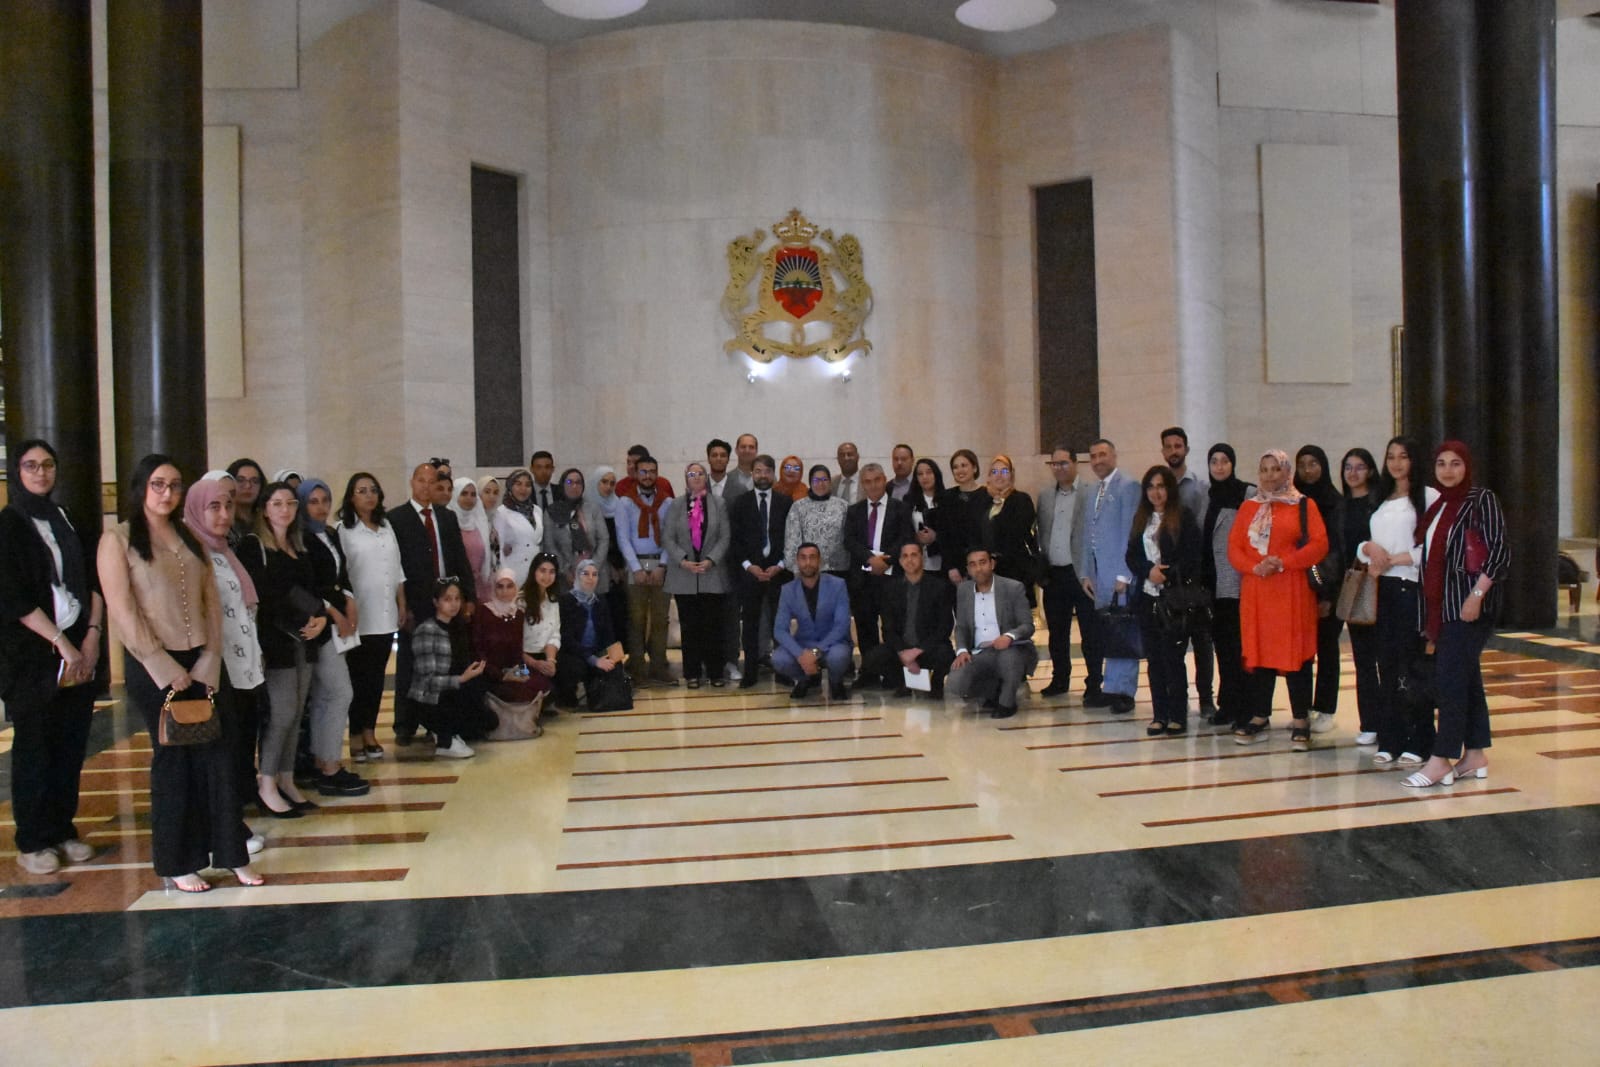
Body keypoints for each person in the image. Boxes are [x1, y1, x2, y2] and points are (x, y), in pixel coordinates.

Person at [99, 454, 257, 891]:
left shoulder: (189, 536)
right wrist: (161, 665)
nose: (167, 493)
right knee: (175, 761)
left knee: (222, 755)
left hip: (203, 662)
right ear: (140, 488)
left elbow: (210, 600)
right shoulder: (119, 539)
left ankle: (230, 853)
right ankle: (177, 861)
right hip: (155, 666)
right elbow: (123, 611)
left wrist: (210, 656)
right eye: (158, 484)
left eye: (174, 485)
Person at [2, 439, 105, 875]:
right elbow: (12, 595)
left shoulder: (66, 519)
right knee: (35, 747)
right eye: (31, 465)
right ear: (16, 471)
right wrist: (60, 642)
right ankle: (34, 838)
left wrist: (93, 637)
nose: (41, 473)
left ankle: (63, 828)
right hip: (32, 656)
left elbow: (94, 578)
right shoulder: (9, 524)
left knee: (70, 743)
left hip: (80, 645)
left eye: (47, 465)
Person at [1403, 441, 1509, 788]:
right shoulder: (1438, 506)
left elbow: (1498, 553)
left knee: (1449, 683)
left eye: (1456, 464)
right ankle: (1475, 753)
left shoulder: (1480, 499)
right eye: (1442, 464)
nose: (1448, 470)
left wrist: (1476, 595)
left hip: (1468, 607)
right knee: (1466, 680)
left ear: (1468, 467)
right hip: (1443, 608)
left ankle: (1440, 759)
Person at [184, 473, 268, 856]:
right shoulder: (191, 549)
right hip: (214, 665)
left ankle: (230, 822)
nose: (223, 514)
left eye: (228, 505)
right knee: (218, 753)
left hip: (240, 661)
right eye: (213, 506)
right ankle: (223, 830)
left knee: (235, 748)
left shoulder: (221, 549)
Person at [1228, 450, 1328, 751]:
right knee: (1259, 651)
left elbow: (1320, 544)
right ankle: (1260, 715)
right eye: (1264, 470)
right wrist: (1254, 567)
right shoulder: (1248, 507)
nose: (1270, 475)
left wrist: (1284, 561)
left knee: (1295, 652)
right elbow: (1234, 547)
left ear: (1287, 472)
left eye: (1276, 469)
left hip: (1291, 588)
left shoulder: (1303, 505)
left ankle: (1300, 719)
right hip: (1257, 590)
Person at [240, 482, 329, 817]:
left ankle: (287, 777)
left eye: (290, 503)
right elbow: (263, 596)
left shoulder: (298, 544)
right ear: (265, 508)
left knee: (296, 714)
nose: (285, 510)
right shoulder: (254, 546)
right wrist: (300, 617)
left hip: (304, 640)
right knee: (282, 713)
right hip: (276, 641)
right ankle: (266, 781)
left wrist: (320, 618)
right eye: (277, 503)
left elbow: (313, 588)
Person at [1357, 436, 1437, 767]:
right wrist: (1367, 548)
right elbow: (1364, 545)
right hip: (1381, 589)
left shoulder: (1428, 496)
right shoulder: (1380, 497)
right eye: (1391, 456)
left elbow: (1434, 547)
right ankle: (1389, 737)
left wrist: (1399, 558)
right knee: (1385, 667)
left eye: (1403, 456)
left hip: (1409, 587)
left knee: (1411, 667)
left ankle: (1419, 738)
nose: (1396, 463)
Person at [388, 462, 476, 746]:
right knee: (410, 664)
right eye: (421, 481)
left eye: (432, 482)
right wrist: (404, 605)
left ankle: (439, 720)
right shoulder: (396, 519)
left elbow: (460, 559)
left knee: (446, 662)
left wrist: (468, 597)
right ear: (412, 483)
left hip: (448, 603)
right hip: (415, 602)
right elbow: (395, 566)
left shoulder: (446, 517)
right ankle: (405, 723)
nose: (427, 487)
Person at [296, 478, 367, 797]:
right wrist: (334, 612)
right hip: (319, 624)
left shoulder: (330, 533)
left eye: (325, 500)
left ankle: (325, 761)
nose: (321, 507)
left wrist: (350, 601)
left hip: (336, 621)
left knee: (329, 695)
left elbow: (342, 576)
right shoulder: (301, 538)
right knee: (340, 693)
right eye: (313, 501)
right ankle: (328, 765)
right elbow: (307, 584)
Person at [1126, 466, 1203, 735]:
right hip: (1147, 599)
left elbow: (1193, 557)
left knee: (1173, 658)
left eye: (1160, 486)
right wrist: (1148, 570)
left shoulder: (1183, 517)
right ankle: (1159, 714)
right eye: (1150, 487)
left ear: (1169, 489)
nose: (1155, 492)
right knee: (1154, 659)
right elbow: (1131, 556)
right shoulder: (1141, 519)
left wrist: (1166, 574)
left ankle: (1177, 715)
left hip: (1173, 600)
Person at [338, 471, 405, 764]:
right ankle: (354, 735)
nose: (369, 495)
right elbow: (341, 574)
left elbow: (397, 569)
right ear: (351, 497)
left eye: (373, 490)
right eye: (362, 490)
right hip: (360, 615)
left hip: (386, 613)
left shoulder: (386, 527)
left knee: (376, 678)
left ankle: (369, 731)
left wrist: (402, 603)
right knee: (358, 678)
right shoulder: (343, 530)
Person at [1076, 439, 1142, 713]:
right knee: (1109, 631)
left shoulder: (1128, 487)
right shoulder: (1093, 490)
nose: (1098, 460)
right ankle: (1111, 687)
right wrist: (1085, 573)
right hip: (1099, 576)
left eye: (1103, 454)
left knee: (1123, 630)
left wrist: (1125, 575)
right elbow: (1087, 535)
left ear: (1114, 455)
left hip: (1120, 576)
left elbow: (1131, 531)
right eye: (1093, 456)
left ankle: (1124, 690)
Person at [408, 577, 497, 758]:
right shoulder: (426, 631)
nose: (454, 604)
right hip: (429, 698)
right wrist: (462, 679)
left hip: (452, 690)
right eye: (447, 599)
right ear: (436, 602)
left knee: (488, 718)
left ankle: (450, 733)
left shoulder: (458, 628)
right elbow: (427, 681)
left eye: (457, 599)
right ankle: (445, 737)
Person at [662, 462, 732, 687]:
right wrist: (683, 560)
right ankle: (691, 673)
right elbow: (668, 537)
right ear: (685, 479)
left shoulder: (718, 503)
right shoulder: (676, 505)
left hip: (711, 573)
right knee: (690, 627)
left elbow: (725, 536)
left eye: (700, 474)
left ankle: (715, 672)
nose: (696, 477)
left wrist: (711, 559)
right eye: (691, 474)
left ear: (706, 477)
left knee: (713, 626)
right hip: (685, 575)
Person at [1161, 427, 1215, 718]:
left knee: (1202, 641)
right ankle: (1176, 699)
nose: (1173, 451)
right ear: (1162, 452)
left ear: (1186, 449)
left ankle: (1206, 699)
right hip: (1168, 579)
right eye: (1168, 446)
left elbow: (1204, 531)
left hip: (1196, 576)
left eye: (1178, 445)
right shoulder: (1158, 488)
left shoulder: (1199, 488)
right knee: (1173, 641)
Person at [946, 547, 1038, 718]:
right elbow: (962, 627)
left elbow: (1027, 625)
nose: (978, 569)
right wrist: (962, 650)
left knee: (1008, 659)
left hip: (1011, 649)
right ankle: (992, 690)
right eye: (973, 565)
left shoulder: (1013, 588)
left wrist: (1009, 636)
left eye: (982, 563)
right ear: (968, 569)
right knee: (955, 683)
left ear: (992, 563)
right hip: (981, 651)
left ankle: (1007, 703)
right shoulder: (964, 590)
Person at [857, 541, 955, 696]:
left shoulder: (939, 587)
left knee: (946, 654)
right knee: (872, 659)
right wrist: (903, 652)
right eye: (905, 556)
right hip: (902, 648)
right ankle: (904, 681)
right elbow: (887, 628)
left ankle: (935, 683)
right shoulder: (890, 589)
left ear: (922, 558)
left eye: (914, 555)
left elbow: (945, 627)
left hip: (927, 647)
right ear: (900, 561)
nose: (909, 560)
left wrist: (917, 651)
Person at [1201, 444, 1253, 730]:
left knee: (1240, 648)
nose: (1219, 467)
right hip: (1214, 586)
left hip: (1238, 583)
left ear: (1233, 464)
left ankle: (1246, 706)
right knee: (1223, 647)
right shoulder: (1208, 497)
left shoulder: (1247, 493)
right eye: (1214, 462)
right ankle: (1228, 703)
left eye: (1224, 461)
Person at [728, 455, 793, 687]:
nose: (762, 475)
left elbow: (792, 538)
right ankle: (751, 672)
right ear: (752, 474)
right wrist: (749, 566)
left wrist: (781, 565)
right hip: (750, 573)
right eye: (758, 471)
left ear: (773, 474)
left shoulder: (786, 503)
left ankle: (784, 670)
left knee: (780, 624)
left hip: (779, 573)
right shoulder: (741, 502)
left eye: (767, 471)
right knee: (751, 624)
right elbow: (735, 540)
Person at [1294, 444, 1344, 733]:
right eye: (1303, 464)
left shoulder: (1334, 502)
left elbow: (1336, 550)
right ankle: (1304, 707)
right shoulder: (1294, 502)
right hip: (1299, 587)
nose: (1308, 470)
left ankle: (1325, 707)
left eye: (1314, 463)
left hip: (1328, 586)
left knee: (1327, 647)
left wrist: (1327, 594)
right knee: (1302, 649)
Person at [1036, 445, 1093, 699]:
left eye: (1063, 463)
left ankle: (1094, 683)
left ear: (1075, 463)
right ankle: (1060, 679)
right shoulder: (1045, 496)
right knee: (1057, 632)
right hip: (1054, 572)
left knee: (1090, 630)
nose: (1059, 469)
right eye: (1054, 464)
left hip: (1081, 572)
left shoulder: (1090, 493)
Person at [615, 454, 676, 687]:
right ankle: (638, 665)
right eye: (643, 471)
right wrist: (636, 568)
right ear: (636, 474)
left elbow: (670, 536)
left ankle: (659, 664)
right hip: (636, 563)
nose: (648, 476)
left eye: (652, 471)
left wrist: (662, 565)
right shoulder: (625, 502)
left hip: (659, 563)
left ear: (657, 474)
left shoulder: (668, 502)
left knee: (661, 617)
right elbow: (623, 538)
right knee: (636, 618)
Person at [844, 463, 914, 663]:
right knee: (865, 626)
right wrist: (870, 559)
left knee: (892, 627)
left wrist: (885, 560)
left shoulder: (900, 509)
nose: (873, 485)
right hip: (862, 579)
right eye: (867, 482)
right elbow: (849, 540)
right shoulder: (854, 511)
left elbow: (905, 538)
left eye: (877, 480)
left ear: (884, 480)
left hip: (892, 578)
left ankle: (893, 673)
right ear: (862, 485)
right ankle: (870, 670)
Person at [1338, 447, 1382, 746]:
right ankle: (1370, 722)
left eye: (1360, 467)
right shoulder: (1341, 507)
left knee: (1389, 659)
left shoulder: (1380, 504)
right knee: (1363, 659)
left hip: (1384, 584)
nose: (1353, 473)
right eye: (1348, 467)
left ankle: (1394, 719)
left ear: (1370, 471)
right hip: (1356, 587)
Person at [772, 543, 853, 700]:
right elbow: (779, 630)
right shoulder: (788, 590)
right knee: (778, 658)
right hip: (803, 644)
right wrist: (801, 654)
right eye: (803, 558)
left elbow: (842, 625)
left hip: (833, 644)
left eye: (812, 557)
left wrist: (815, 652)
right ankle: (805, 679)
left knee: (839, 656)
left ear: (819, 561)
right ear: (797, 562)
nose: (807, 562)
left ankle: (836, 682)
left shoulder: (838, 585)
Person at [472, 565, 551, 709]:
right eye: (500, 587)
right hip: (490, 673)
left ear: (516, 589)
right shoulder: (483, 612)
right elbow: (478, 651)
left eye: (509, 586)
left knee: (540, 682)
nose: (504, 592)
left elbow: (519, 652)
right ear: (493, 589)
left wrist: (521, 672)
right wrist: (501, 675)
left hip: (513, 670)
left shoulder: (518, 614)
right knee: (515, 691)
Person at [556, 559, 623, 706]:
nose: (590, 578)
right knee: (574, 668)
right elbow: (566, 638)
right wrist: (592, 659)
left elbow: (608, 633)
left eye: (594, 574)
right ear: (576, 576)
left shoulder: (601, 601)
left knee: (614, 668)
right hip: (574, 653)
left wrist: (612, 655)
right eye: (585, 574)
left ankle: (594, 692)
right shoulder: (566, 601)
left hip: (596, 651)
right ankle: (567, 696)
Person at [979, 454, 1038, 606]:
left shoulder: (1021, 499)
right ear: (989, 476)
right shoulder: (983, 501)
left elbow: (1017, 531)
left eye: (1004, 471)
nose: (999, 476)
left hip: (1015, 570)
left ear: (1011, 475)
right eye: (994, 472)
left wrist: (1000, 502)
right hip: (988, 571)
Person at [586, 464, 631, 651]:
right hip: (598, 570)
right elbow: (594, 542)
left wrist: (622, 567)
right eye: (604, 482)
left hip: (621, 572)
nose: (608, 487)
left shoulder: (619, 504)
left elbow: (624, 537)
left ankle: (618, 664)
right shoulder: (586, 508)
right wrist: (608, 567)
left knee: (619, 617)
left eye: (612, 483)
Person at [547, 467, 610, 587]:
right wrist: (565, 570)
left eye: (578, 482)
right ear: (562, 485)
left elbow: (603, 539)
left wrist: (593, 567)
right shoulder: (551, 511)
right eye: (569, 482)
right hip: (567, 573)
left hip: (594, 572)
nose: (574, 486)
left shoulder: (592, 508)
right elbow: (550, 544)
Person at [785, 464, 850, 574]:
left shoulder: (843, 506)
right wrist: (796, 568)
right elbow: (792, 541)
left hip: (838, 570)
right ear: (810, 482)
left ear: (830, 482)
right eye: (816, 480)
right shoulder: (798, 507)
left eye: (824, 479)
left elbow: (849, 538)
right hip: (808, 570)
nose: (820, 483)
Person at [940, 449, 989, 584]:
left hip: (982, 565)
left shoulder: (987, 495)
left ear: (974, 467)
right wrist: (951, 566)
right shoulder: (947, 497)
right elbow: (944, 535)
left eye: (964, 465)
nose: (959, 470)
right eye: (955, 467)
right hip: (956, 567)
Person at [518, 555, 562, 705]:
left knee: (566, 673)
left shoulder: (553, 601)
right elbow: (513, 641)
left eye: (551, 572)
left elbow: (555, 634)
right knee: (528, 681)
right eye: (542, 571)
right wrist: (534, 663)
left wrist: (551, 660)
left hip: (545, 655)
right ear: (534, 572)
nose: (547, 576)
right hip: (522, 660)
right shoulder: (520, 601)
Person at [497, 468, 547, 588]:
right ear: (510, 486)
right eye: (518, 484)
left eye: (528, 485)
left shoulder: (537, 510)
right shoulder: (501, 512)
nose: (523, 489)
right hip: (512, 572)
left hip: (535, 571)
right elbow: (498, 549)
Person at [448, 477, 493, 592]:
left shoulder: (480, 523)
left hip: (479, 585)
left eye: (473, 494)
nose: (469, 498)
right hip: (455, 587)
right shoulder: (447, 522)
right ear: (455, 494)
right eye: (464, 493)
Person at [907, 458, 948, 576]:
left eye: (929, 472)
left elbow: (954, 533)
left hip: (943, 563)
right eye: (920, 474)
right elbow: (904, 530)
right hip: (917, 562)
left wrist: (936, 536)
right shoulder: (909, 501)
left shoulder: (948, 500)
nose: (925, 477)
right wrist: (916, 537)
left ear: (936, 474)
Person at [226, 457, 266, 543]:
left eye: (254, 481)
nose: (248, 486)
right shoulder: (224, 521)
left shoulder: (267, 519)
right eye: (240, 480)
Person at [476, 474, 504, 572]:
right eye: (487, 492)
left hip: (496, 573)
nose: (492, 496)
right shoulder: (473, 519)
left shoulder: (498, 516)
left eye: (495, 493)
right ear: (479, 493)